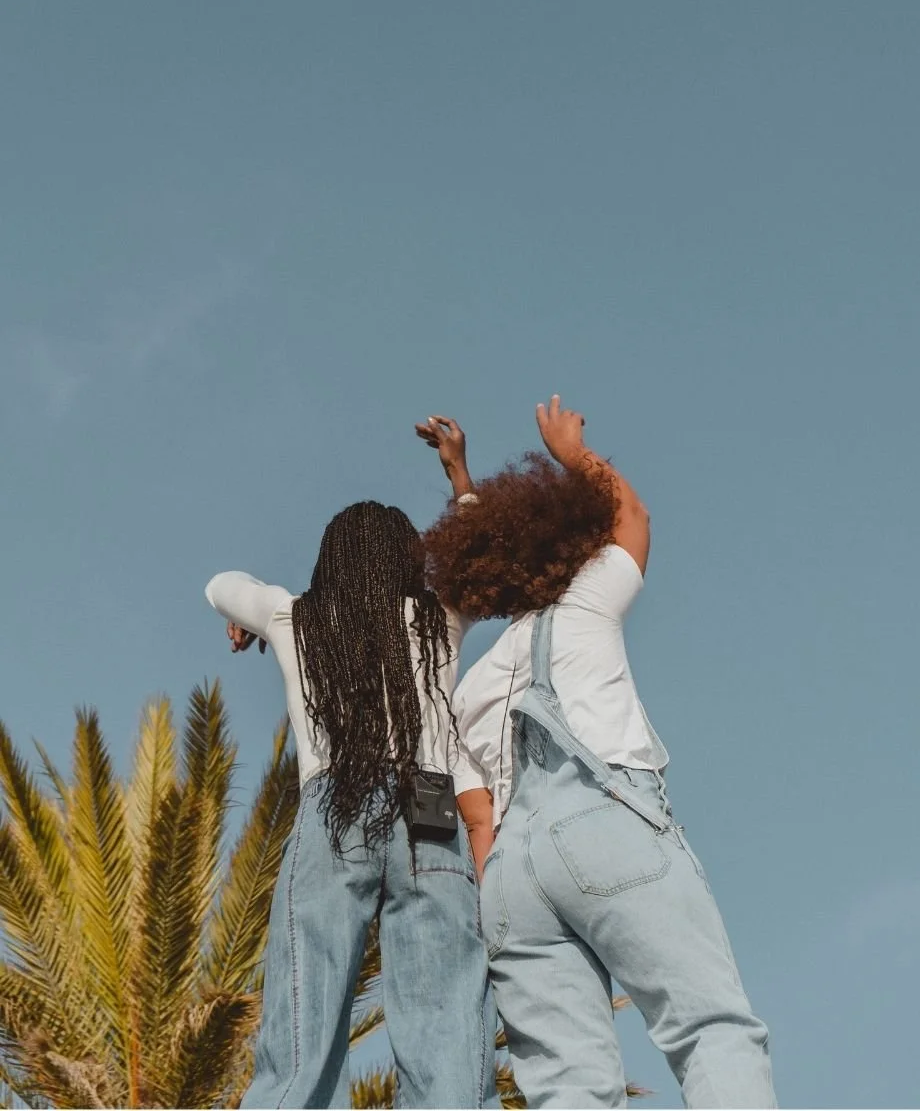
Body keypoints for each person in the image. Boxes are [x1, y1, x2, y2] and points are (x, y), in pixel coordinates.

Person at [419, 398, 776, 1109]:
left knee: (568, 1088)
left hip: (511, 880)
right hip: (602, 825)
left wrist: (461, 481)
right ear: (564, 544)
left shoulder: (465, 692)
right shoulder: (584, 601)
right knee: (708, 1029)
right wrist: (573, 454)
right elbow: (632, 518)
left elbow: (480, 825)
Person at [205, 432, 494, 1110]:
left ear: (328, 561)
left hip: (334, 807)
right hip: (429, 810)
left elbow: (220, 585)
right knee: (448, 1018)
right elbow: (478, 553)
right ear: (411, 562)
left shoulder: (294, 617)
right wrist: (460, 476)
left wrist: (246, 619)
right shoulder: (439, 615)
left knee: (301, 1021)